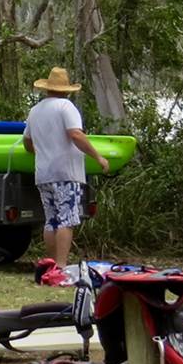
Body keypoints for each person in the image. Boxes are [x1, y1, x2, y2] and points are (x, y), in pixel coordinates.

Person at [22, 67, 109, 269]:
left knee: (51, 220)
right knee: (66, 220)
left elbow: (27, 142)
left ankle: (52, 266)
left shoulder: (35, 111)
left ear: (48, 88)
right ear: (66, 90)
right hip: (65, 173)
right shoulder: (66, 106)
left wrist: (44, 151)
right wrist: (98, 157)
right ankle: (61, 266)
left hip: (43, 174)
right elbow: (75, 134)